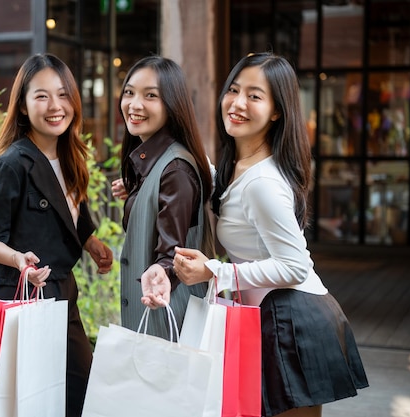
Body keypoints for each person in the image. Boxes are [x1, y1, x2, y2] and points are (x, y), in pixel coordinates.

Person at [141, 52, 369, 417]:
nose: (237, 103)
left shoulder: (263, 182)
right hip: (265, 315)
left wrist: (216, 271)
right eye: (233, 90)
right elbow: (205, 178)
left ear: (277, 111)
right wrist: (145, 183)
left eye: (255, 96)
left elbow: (294, 266)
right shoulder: (238, 168)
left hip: (294, 320)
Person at [0, 53, 113, 417]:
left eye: (63, 95)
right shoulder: (10, 165)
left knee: (80, 392)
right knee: (25, 403)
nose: (55, 106)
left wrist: (91, 243)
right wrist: (19, 260)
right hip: (25, 297)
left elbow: (70, 215)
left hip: (63, 293)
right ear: (21, 107)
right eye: (42, 96)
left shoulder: (68, 157)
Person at [112, 55, 213, 340]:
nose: (134, 104)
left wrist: (163, 268)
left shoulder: (175, 168)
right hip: (156, 310)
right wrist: (138, 193)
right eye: (129, 92)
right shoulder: (156, 163)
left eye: (150, 96)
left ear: (172, 105)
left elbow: (173, 252)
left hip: (167, 318)